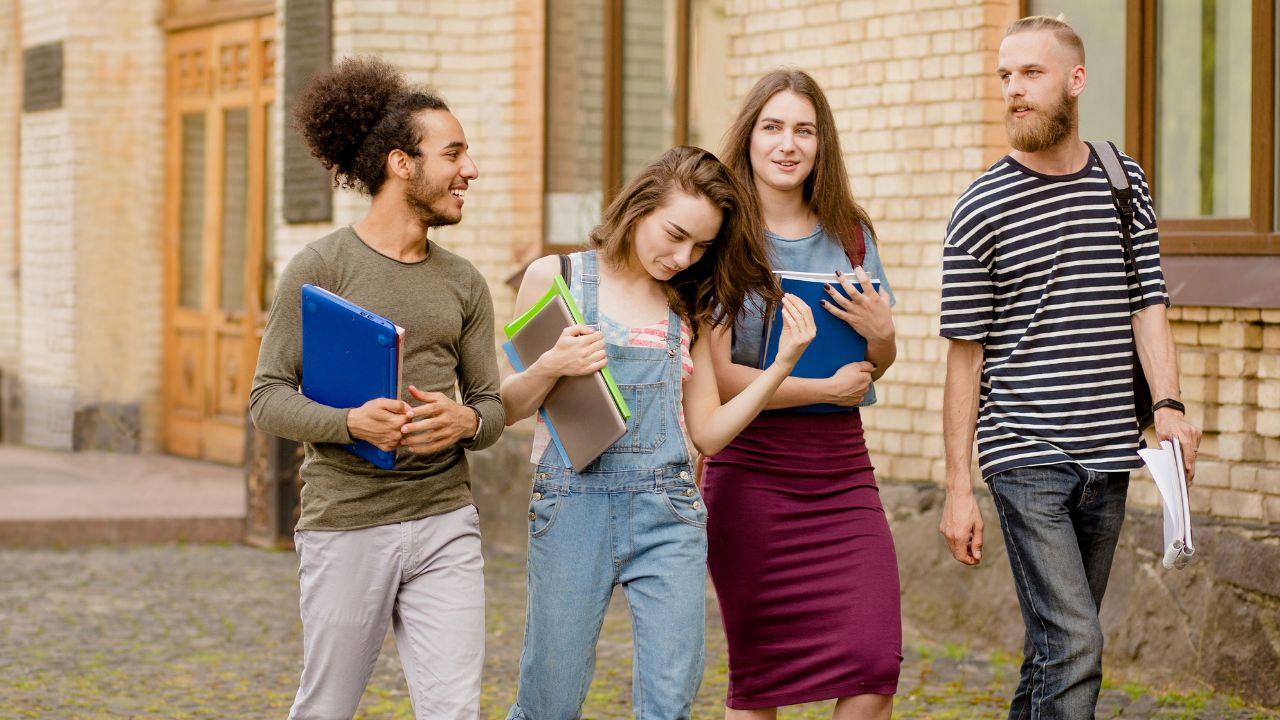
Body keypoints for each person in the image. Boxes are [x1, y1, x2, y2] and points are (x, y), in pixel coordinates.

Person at [938, 16, 1202, 720]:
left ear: (1076, 81)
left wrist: (1169, 404)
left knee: (1055, 650)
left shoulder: (1123, 181)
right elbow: (964, 358)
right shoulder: (979, 209)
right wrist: (958, 486)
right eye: (1005, 77)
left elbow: (1148, 302)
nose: (1014, 92)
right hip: (1025, 456)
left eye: (1031, 74)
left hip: (1109, 455)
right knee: (1079, 642)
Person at [502, 145, 816, 720]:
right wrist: (552, 366)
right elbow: (506, 406)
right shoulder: (558, 277)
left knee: (669, 703)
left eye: (700, 247)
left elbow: (710, 434)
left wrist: (780, 367)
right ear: (640, 205)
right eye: (674, 234)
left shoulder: (688, 306)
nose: (681, 256)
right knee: (550, 700)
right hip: (571, 506)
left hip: (667, 510)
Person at [249, 56, 504, 720]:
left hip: (445, 520)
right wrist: (352, 424)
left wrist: (466, 424)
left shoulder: (464, 282)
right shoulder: (321, 267)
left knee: (454, 711)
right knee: (327, 707)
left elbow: (492, 404)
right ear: (401, 163)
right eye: (454, 154)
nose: (469, 170)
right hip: (348, 524)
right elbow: (267, 396)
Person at [703, 69, 901, 720]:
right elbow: (724, 379)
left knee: (875, 664)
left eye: (804, 130)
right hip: (751, 475)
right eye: (774, 127)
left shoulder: (851, 235)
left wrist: (882, 337)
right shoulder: (721, 235)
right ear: (750, 137)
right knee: (762, 684)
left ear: (822, 144)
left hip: (842, 474)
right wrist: (824, 386)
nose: (788, 144)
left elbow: (877, 361)